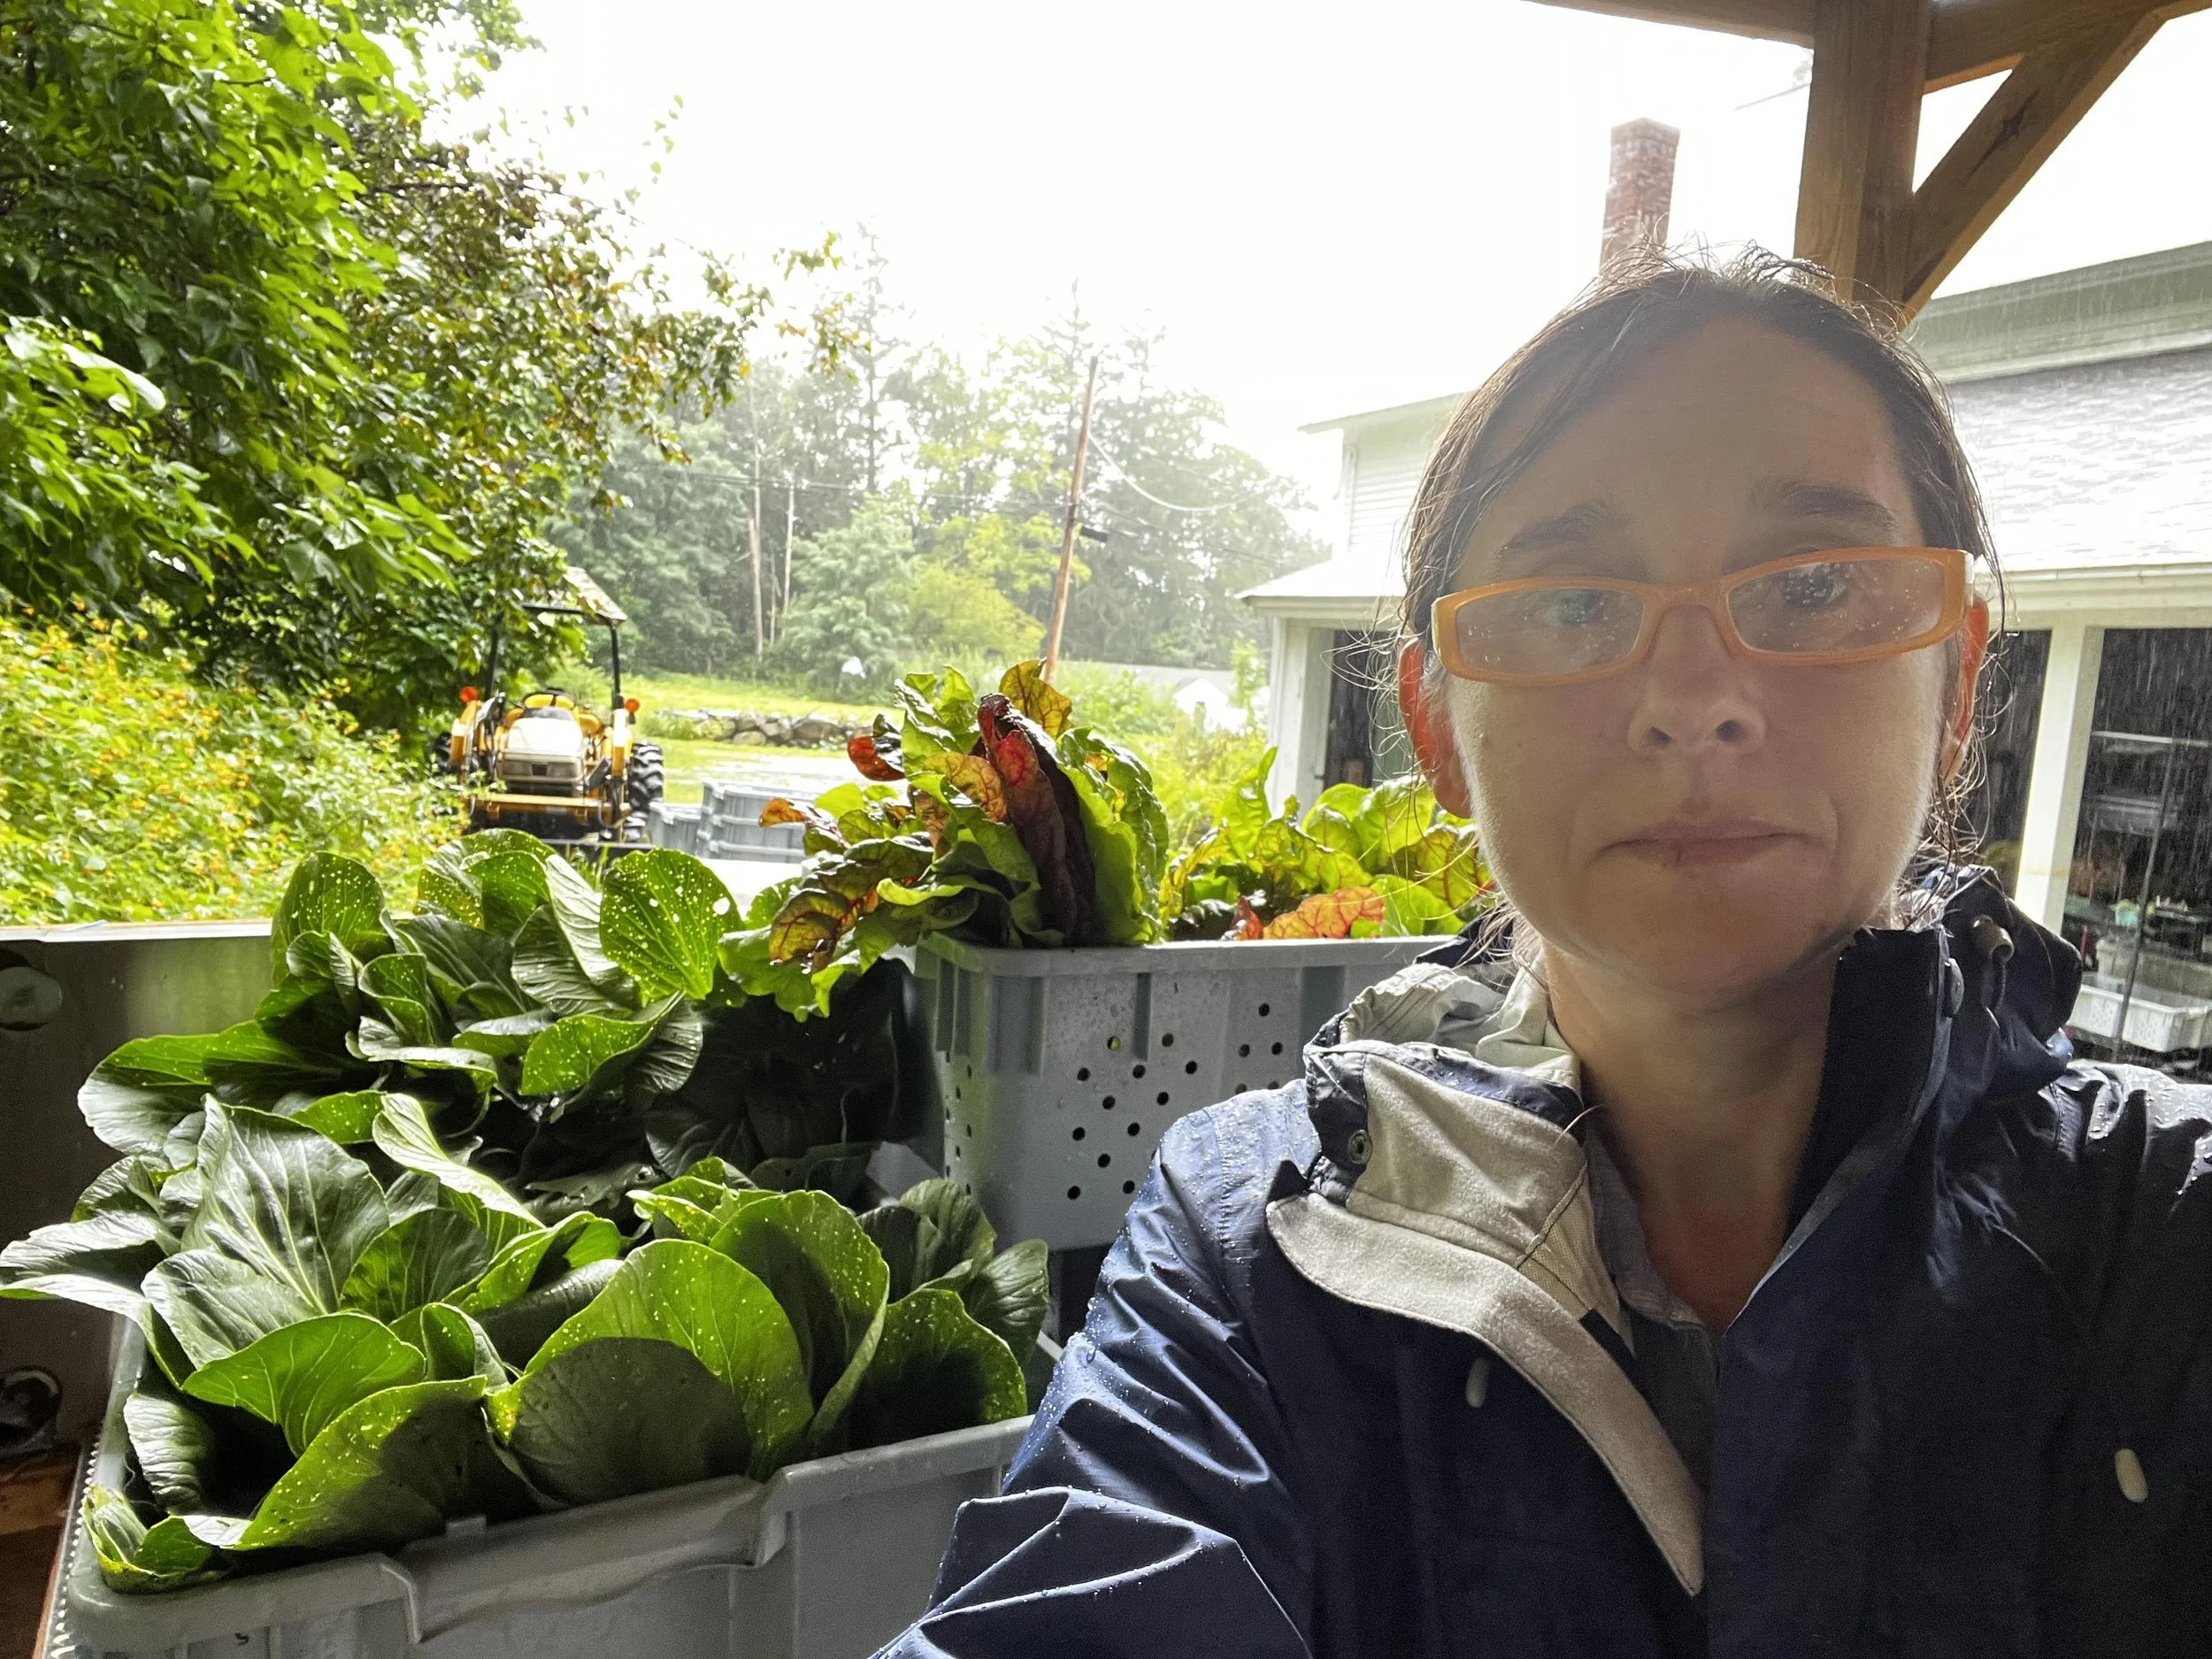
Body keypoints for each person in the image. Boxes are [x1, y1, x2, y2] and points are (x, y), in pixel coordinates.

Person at [876, 253, 2212, 1657]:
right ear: (1440, 727)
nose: (1697, 703)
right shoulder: (1250, 1243)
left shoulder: (2164, 1232)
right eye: (1574, 600)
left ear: (1956, 688)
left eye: (1815, 584)